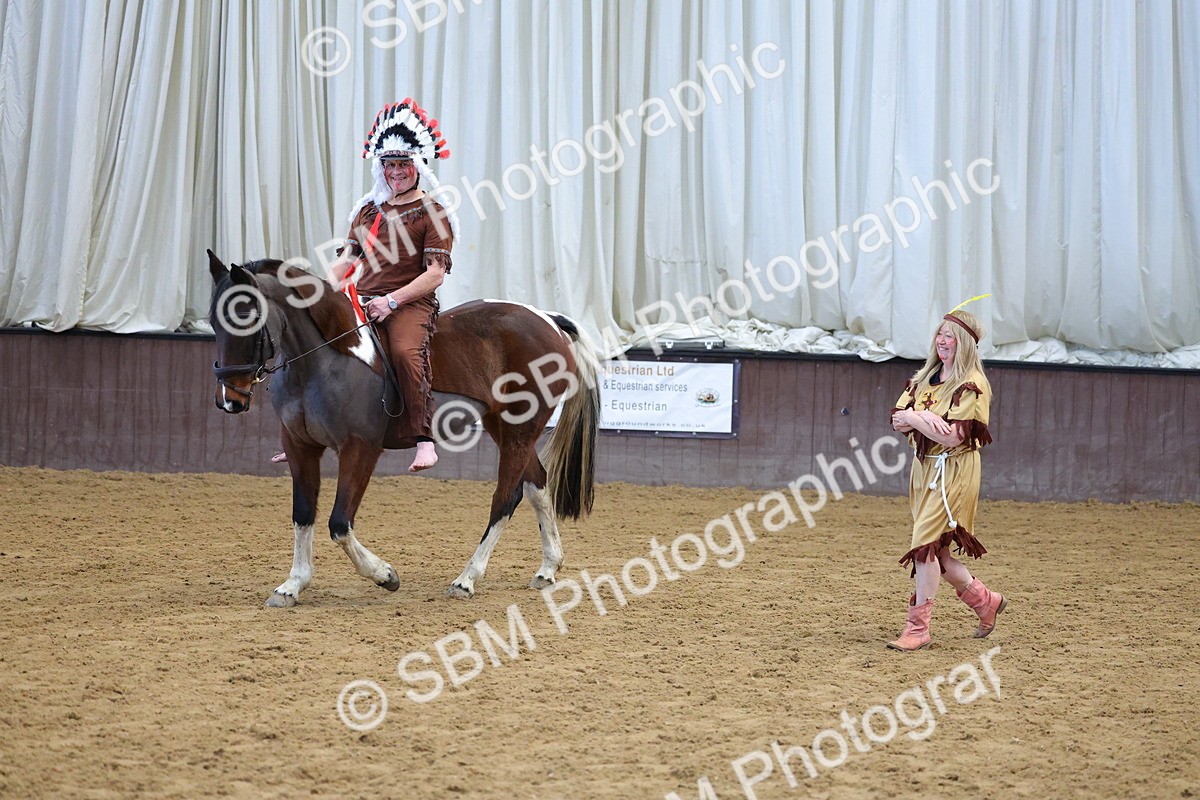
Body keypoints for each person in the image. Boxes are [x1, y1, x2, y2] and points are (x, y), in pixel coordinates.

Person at [275, 99, 457, 471]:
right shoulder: (368, 211)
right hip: (361, 299)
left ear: (417, 166)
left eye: (403, 164)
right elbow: (347, 261)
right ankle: (301, 434)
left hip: (409, 304)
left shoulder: (433, 213)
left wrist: (391, 302)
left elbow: (435, 273)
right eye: (389, 165)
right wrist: (322, 296)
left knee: (406, 353)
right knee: (311, 345)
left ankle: (423, 438)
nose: (396, 172)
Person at [886, 305, 1006, 651]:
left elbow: (953, 437)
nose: (943, 340)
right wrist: (922, 417)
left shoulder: (972, 384)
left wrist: (915, 417)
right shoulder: (924, 377)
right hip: (923, 469)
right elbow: (897, 420)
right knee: (936, 553)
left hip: (954, 472)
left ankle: (918, 629)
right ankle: (986, 601)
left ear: (965, 343)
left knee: (923, 546)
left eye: (950, 336)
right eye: (940, 334)